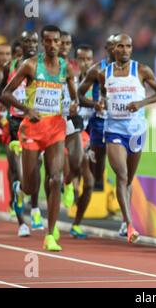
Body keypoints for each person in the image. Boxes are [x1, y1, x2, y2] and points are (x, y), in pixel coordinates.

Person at [1, 25, 79, 251]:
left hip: (55, 127)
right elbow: (6, 93)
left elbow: (73, 96)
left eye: (57, 41)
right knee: (30, 187)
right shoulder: (31, 65)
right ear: (43, 43)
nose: (53, 45)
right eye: (48, 41)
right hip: (33, 129)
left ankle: (50, 234)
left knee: (55, 179)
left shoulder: (67, 68)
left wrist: (73, 105)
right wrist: (26, 110)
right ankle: (19, 190)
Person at [99, 34, 156, 243]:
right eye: (121, 46)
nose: (125, 50)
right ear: (114, 49)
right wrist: (101, 102)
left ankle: (124, 219)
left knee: (128, 179)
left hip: (136, 130)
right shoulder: (105, 73)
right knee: (121, 174)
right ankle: (129, 225)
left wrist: (141, 103)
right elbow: (103, 94)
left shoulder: (142, 70)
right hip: (114, 129)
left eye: (129, 46)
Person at [0, 30, 44, 237]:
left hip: (35, 122)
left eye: (34, 41)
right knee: (16, 170)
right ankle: (22, 220)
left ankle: (34, 207)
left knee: (35, 168)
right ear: (21, 45)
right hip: (15, 123)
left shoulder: (42, 67)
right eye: (27, 41)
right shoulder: (10, 67)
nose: (30, 44)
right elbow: (2, 91)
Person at [77, 35, 116, 193]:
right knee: (97, 161)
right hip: (99, 121)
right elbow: (79, 95)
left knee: (121, 164)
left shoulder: (130, 69)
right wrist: (95, 104)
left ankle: (116, 191)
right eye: (112, 46)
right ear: (106, 48)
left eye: (120, 45)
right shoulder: (97, 70)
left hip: (121, 122)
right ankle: (92, 182)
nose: (117, 49)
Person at [67, 44, 97, 238]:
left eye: (88, 59)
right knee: (76, 163)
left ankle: (76, 224)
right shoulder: (71, 80)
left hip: (90, 132)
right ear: (75, 61)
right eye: (81, 59)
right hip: (70, 130)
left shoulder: (98, 82)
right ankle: (68, 182)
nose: (85, 63)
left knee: (91, 184)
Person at [58, 31, 84, 210]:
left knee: (77, 162)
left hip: (71, 116)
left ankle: (67, 182)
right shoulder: (45, 65)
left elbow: (79, 93)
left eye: (68, 43)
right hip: (51, 119)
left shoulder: (75, 67)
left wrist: (76, 104)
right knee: (56, 164)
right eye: (62, 43)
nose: (65, 46)